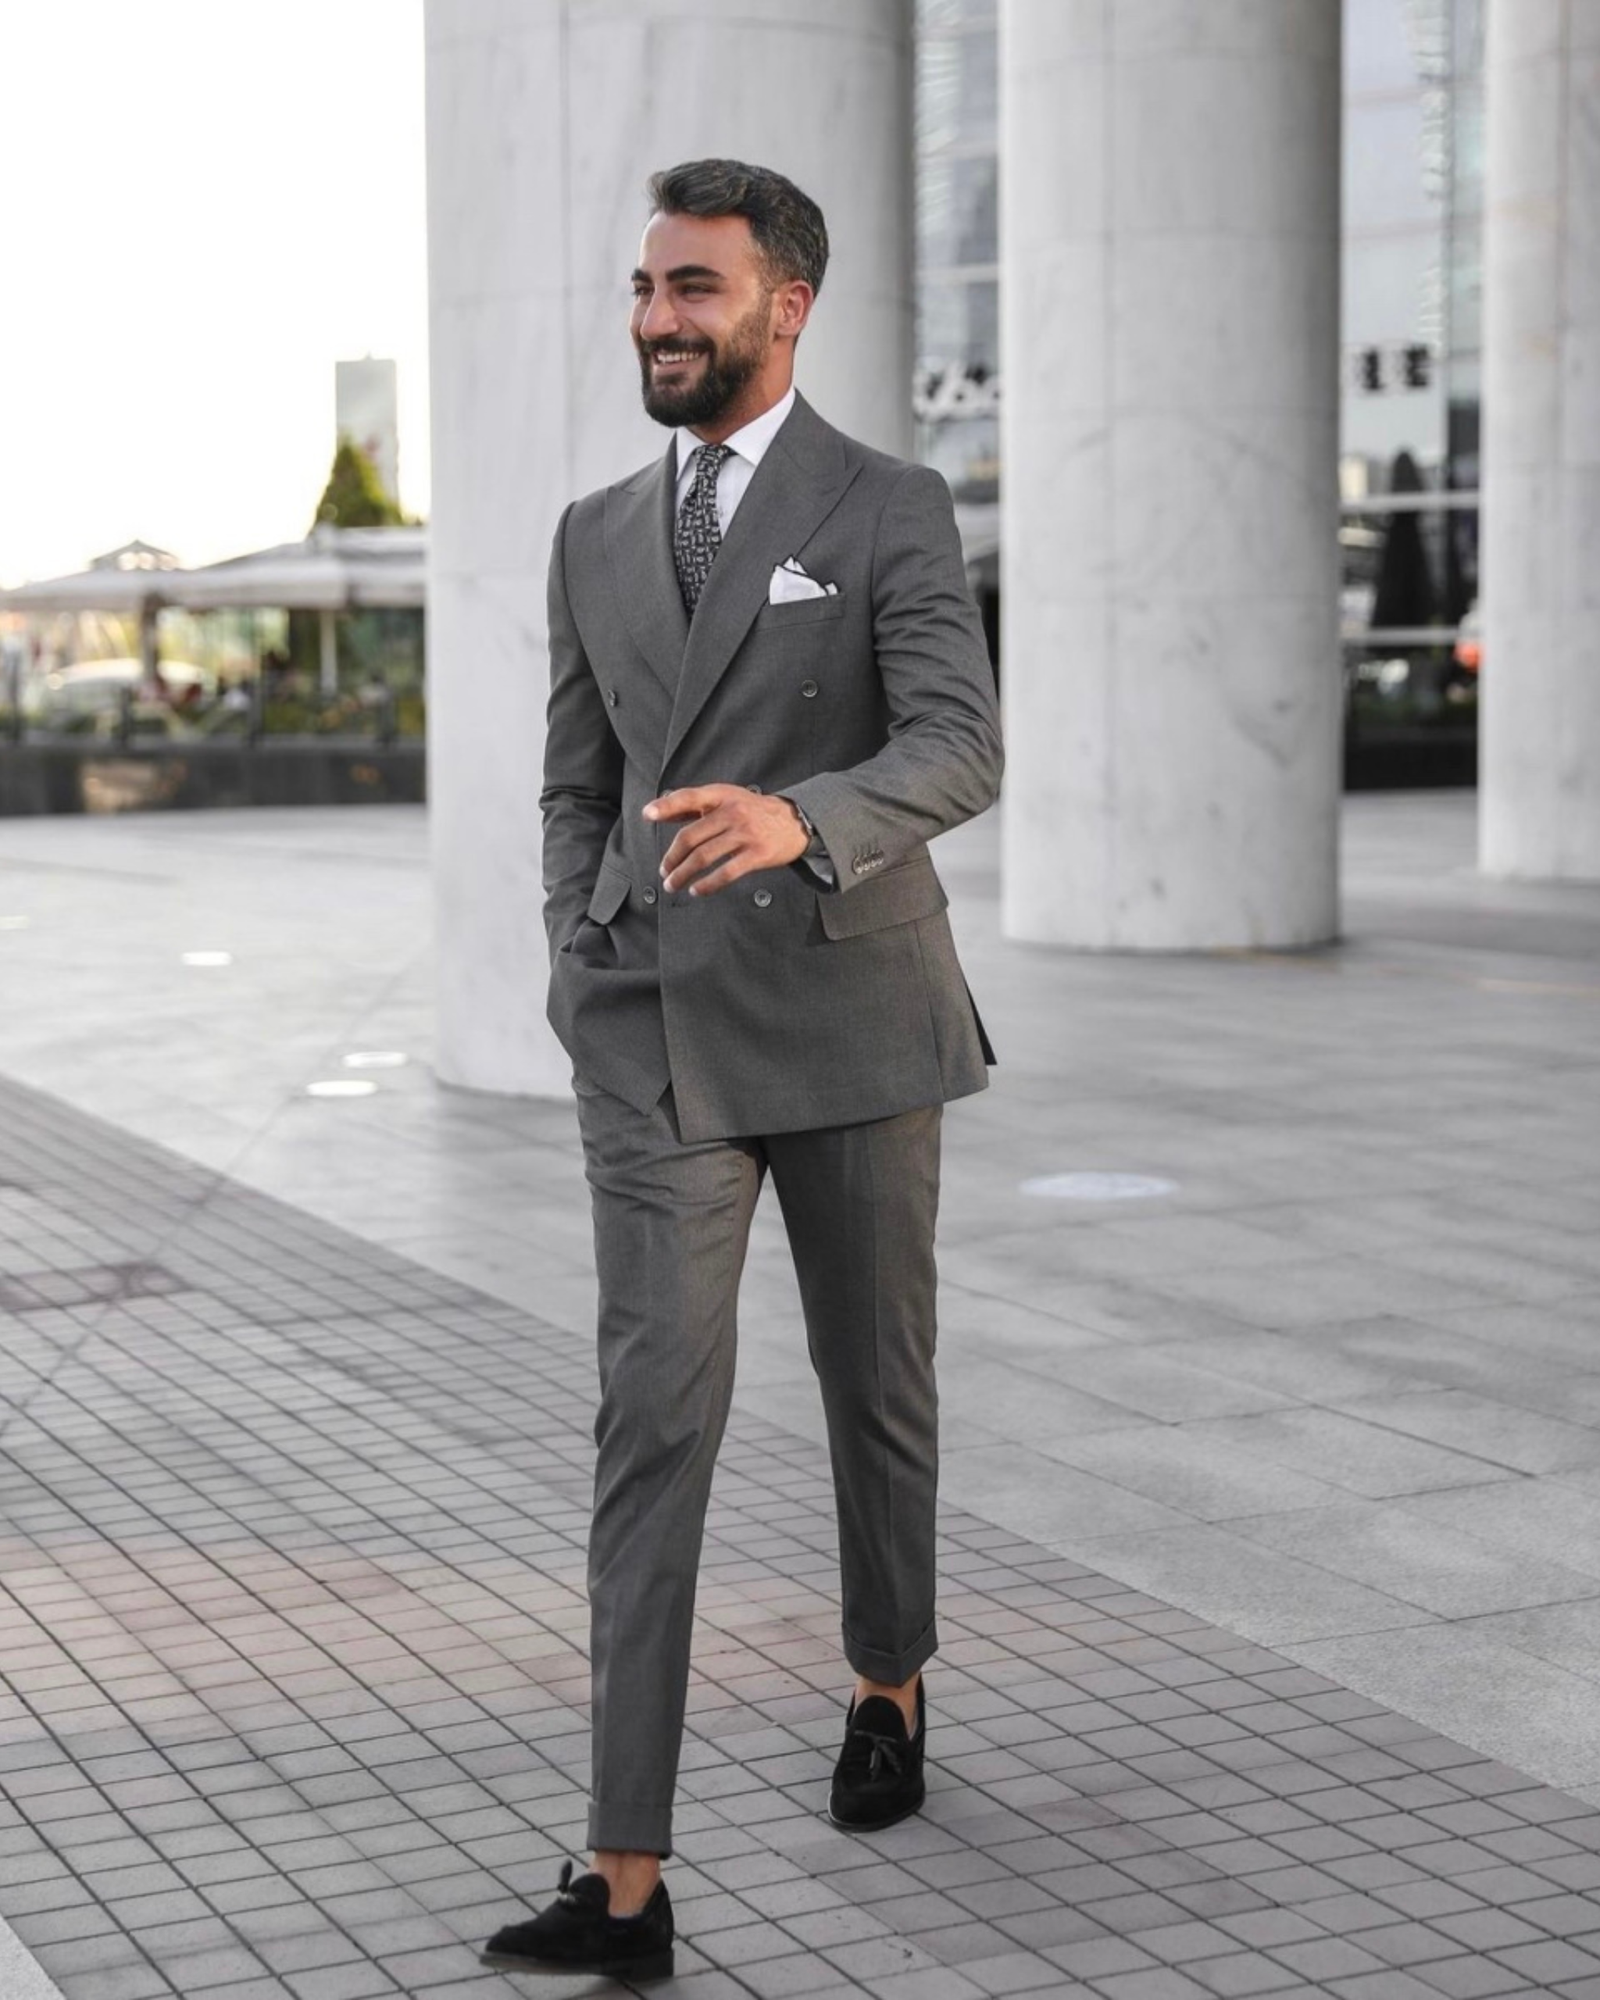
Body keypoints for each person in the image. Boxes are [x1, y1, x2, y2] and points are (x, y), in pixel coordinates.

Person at [483, 158, 1002, 1983]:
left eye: (692, 289)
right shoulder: (592, 532)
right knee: (652, 1425)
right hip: (655, 1033)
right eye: (646, 288)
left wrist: (801, 817)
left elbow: (960, 743)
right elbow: (575, 778)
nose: (656, 319)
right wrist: (580, 950)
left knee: (876, 1389)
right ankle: (625, 1878)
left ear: (787, 306)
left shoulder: (887, 503)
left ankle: (888, 1683)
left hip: (854, 1011)